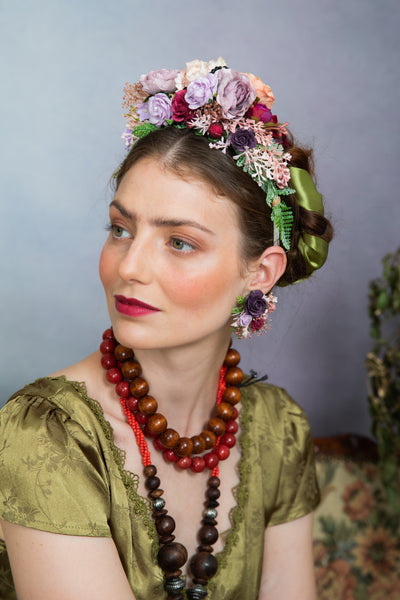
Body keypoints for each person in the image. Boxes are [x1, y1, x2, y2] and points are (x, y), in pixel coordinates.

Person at [0, 57, 333, 600]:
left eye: (180, 242)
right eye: (121, 228)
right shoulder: (47, 434)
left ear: (261, 272)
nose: (129, 267)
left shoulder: (278, 431)